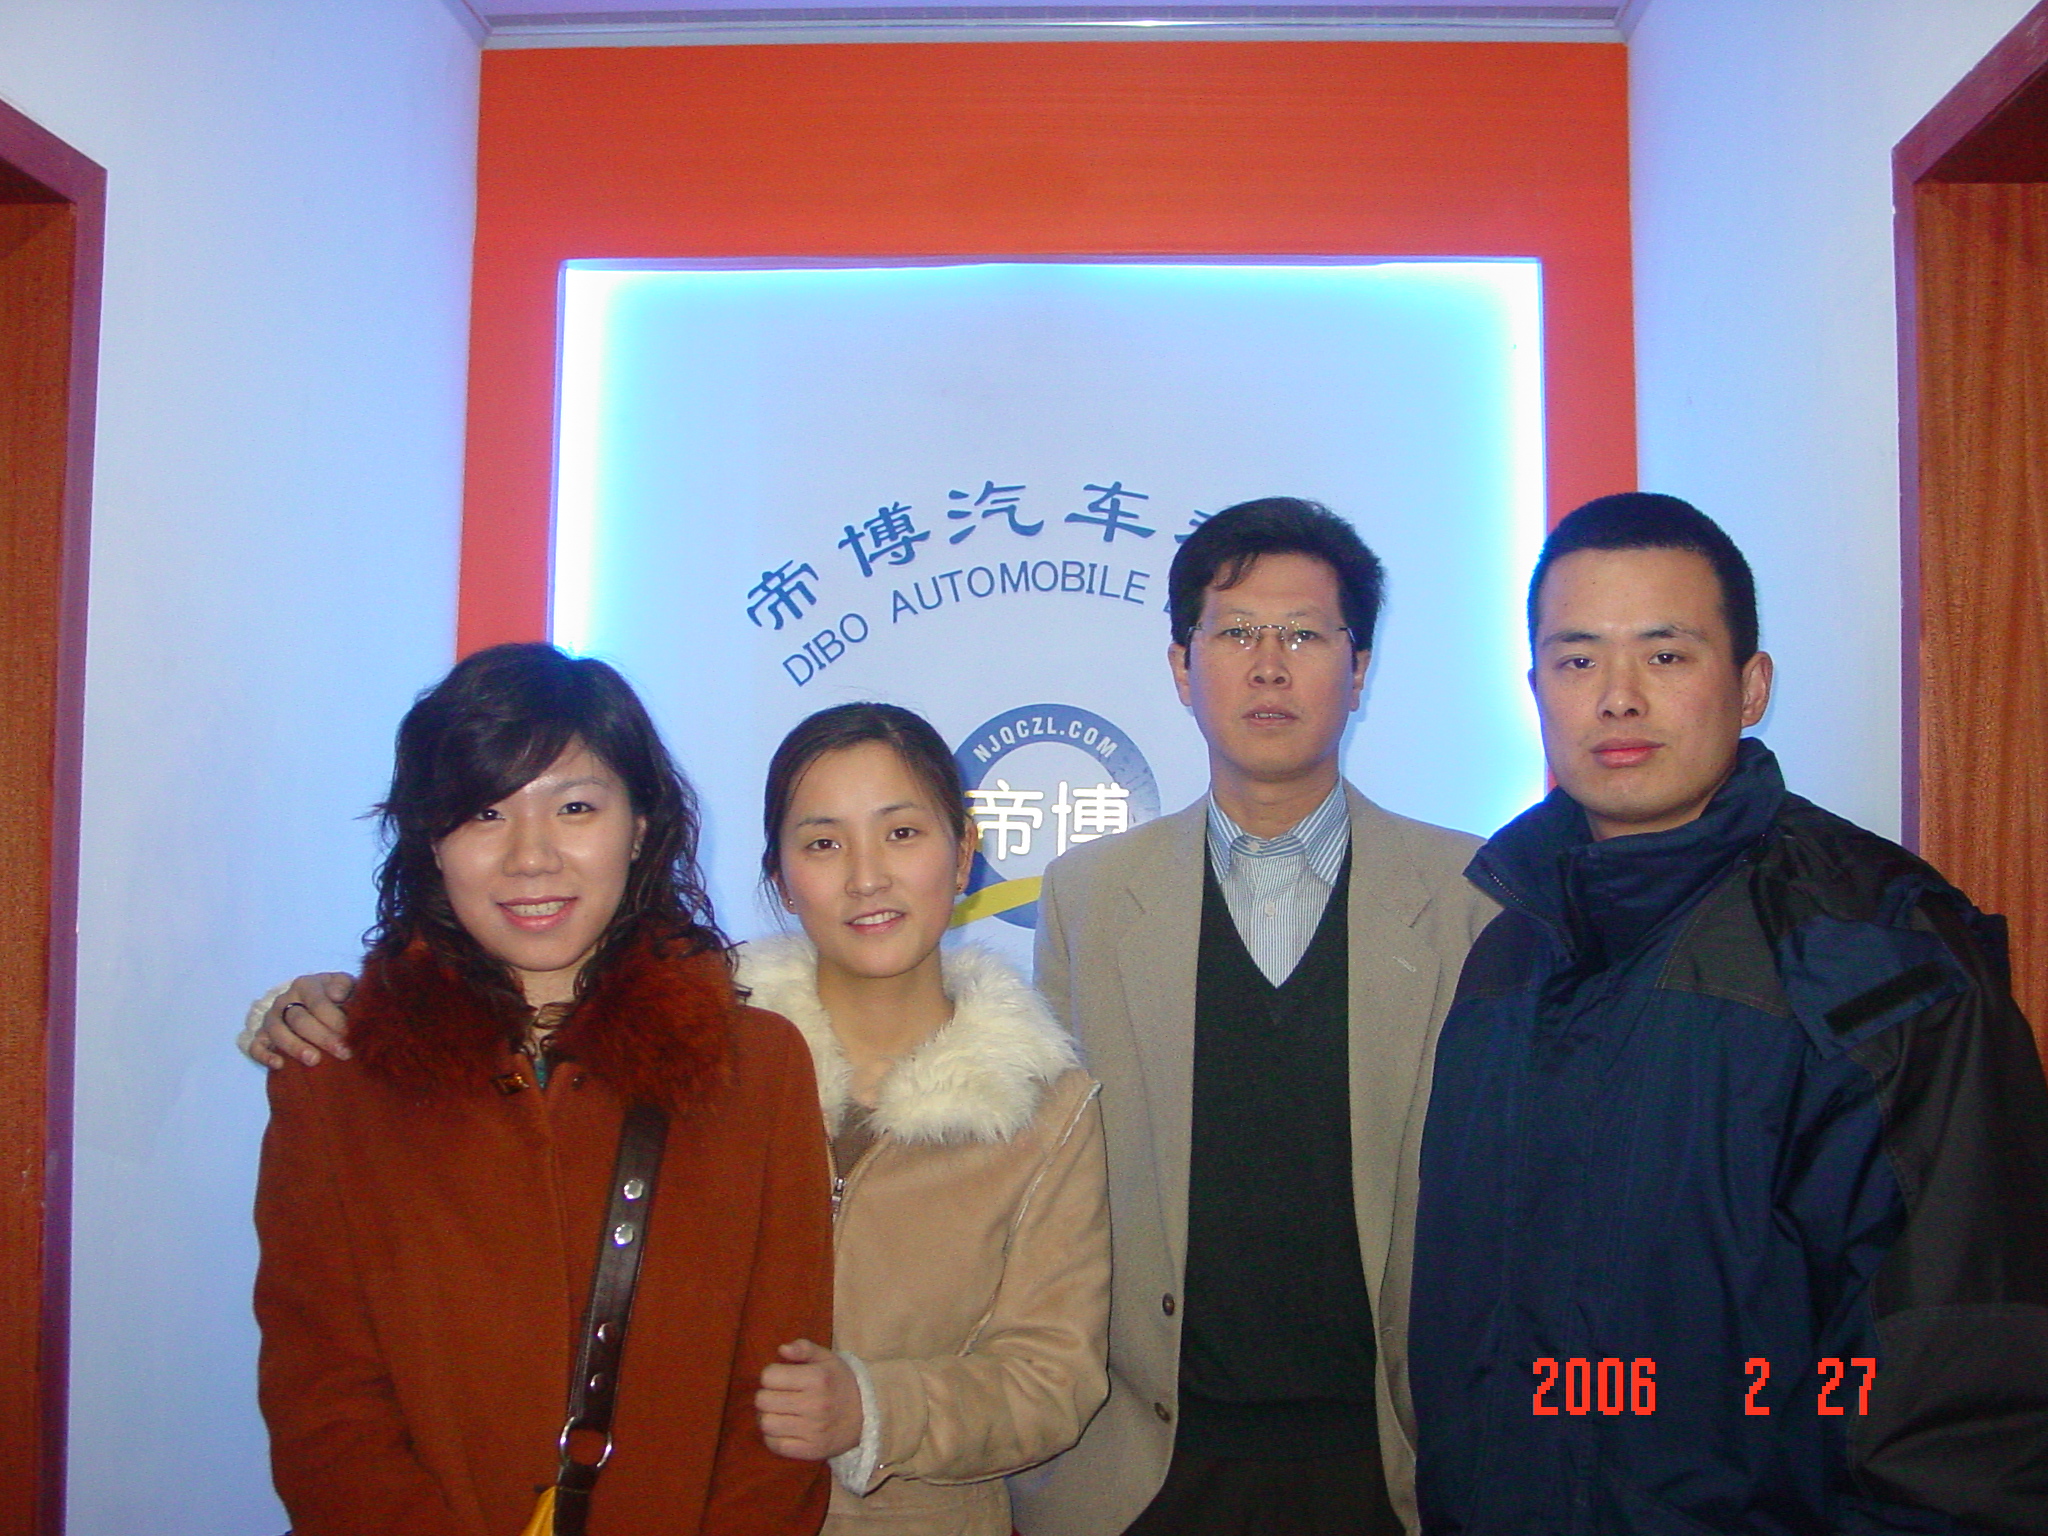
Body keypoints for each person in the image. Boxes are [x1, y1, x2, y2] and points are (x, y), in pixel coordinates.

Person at [247, 700, 1111, 1536]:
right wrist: (329, 1007)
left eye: (903, 833)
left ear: (963, 855)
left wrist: (874, 1409)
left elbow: (1052, 1376)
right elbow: (327, 1391)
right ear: (778, 876)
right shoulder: (702, 1049)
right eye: (822, 842)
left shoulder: (1033, 1106)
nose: (866, 876)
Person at [1410, 493, 2048, 1534]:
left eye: (1665, 655)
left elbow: (1963, 1397)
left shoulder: (1874, 954)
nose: (1617, 697)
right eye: (1576, 659)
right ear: (1535, 689)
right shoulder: (1507, 953)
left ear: (1750, 685)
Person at [251, 642, 832, 1536]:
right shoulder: (336, 1079)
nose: (531, 857)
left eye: (575, 807)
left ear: (640, 826)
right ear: (431, 840)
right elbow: (323, 1407)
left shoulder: (756, 1068)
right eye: (485, 812)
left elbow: (780, 1406)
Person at [1017, 498, 1500, 1536]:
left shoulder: (1472, 895)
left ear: (1358, 668)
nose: (1269, 666)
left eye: (1304, 635)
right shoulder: (1088, 898)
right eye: (1235, 633)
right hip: (1148, 1473)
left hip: (1389, 1466)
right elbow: (1052, 1188)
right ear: (1180, 666)